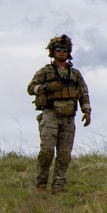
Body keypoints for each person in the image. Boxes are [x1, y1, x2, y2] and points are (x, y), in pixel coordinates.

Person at [26, 34, 91, 194]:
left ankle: (58, 188)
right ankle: (41, 184)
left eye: (65, 50)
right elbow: (31, 88)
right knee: (47, 151)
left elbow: (83, 93)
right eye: (58, 49)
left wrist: (87, 110)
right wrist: (46, 87)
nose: (62, 52)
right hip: (50, 115)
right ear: (52, 52)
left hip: (69, 118)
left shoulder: (74, 74)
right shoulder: (45, 72)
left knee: (64, 155)